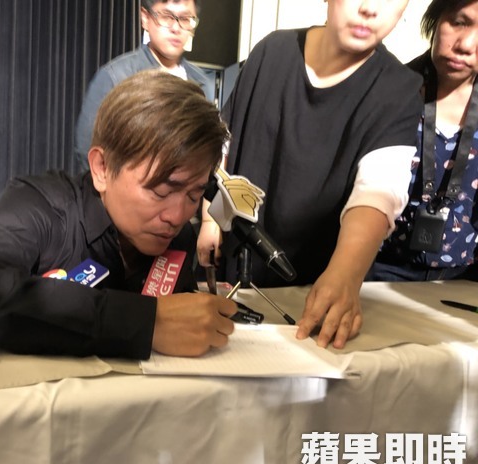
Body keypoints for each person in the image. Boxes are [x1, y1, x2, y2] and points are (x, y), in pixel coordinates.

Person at [0, 70, 236, 360]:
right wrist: (143, 321)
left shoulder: (179, 237)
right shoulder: (42, 206)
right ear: (102, 168)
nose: (177, 216)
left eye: (194, 195)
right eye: (162, 191)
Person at [197, 0, 423, 349]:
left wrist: (346, 275)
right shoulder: (271, 52)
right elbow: (223, 144)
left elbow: (379, 189)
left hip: (314, 296)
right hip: (237, 275)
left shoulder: (399, 89)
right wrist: (210, 218)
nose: (369, 8)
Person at [368, 0, 478, 282]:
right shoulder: (388, 93)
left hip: (464, 278)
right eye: (459, 22)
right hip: (377, 270)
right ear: (436, 18)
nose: (466, 44)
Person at [73, 0, 214, 172]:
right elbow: (88, 148)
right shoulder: (116, 77)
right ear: (145, 18)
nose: (176, 28)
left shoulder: (203, 85)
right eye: (167, 16)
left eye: (185, 19)